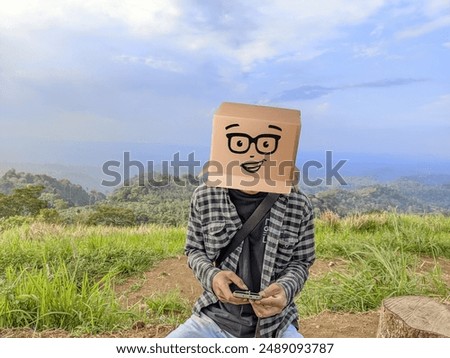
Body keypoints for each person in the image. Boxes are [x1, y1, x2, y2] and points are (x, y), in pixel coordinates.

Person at [166, 102, 315, 338]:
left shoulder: (298, 206)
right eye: (240, 143)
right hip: (213, 320)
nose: (254, 153)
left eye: (266, 144)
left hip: (275, 326)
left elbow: (301, 261)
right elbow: (194, 250)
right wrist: (212, 276)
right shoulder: (205, 197)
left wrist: (285, 290)